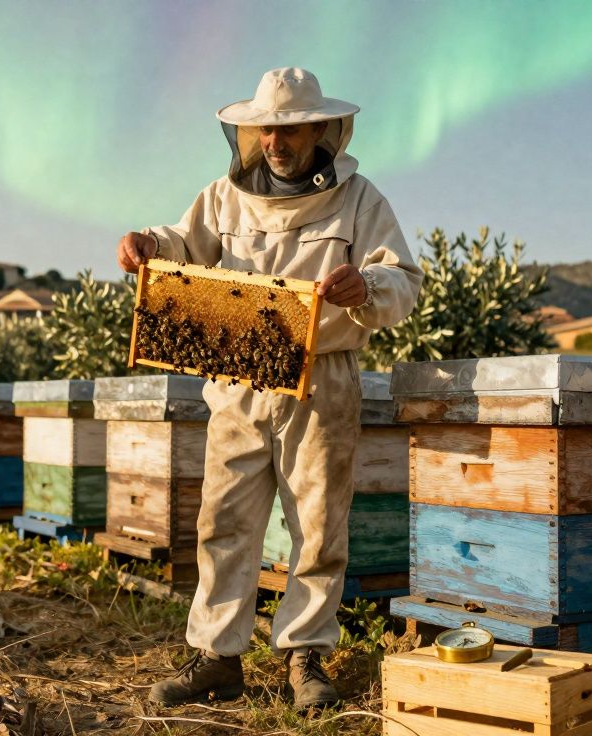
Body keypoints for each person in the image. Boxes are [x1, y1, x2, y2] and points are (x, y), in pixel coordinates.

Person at [116, 67, 422, 710]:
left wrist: (366, 286)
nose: (274, 142)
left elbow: (403, 280)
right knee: (223, 519)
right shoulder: (221, 198)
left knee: (318, 524)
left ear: (319, 130)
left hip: (321, 379)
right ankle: (217, 658)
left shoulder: (360, 200)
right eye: (264, 130)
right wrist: (147, 243)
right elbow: (181, 245)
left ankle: (305, 657)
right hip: (238, 377)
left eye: (288, 130)